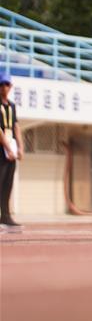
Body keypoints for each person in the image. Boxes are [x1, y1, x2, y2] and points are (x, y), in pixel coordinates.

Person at [0, 73, 24, 232]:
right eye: (1, 85)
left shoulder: (12, 106)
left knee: (8, 184)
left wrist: (20, 147)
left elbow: (15, 126)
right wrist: (7, 147)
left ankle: (6, 215)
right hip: (2, 148)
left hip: (11, 147)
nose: (4, 88)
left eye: (7, 85)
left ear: (11, 87)